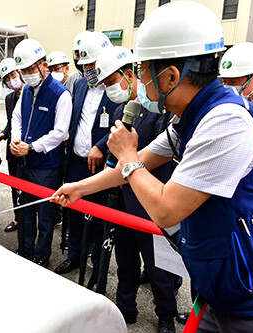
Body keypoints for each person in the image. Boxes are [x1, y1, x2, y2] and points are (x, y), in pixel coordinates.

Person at [53, 2, 253, 332]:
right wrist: (80, 188)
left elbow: (167, 209)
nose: (139, 80)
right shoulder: (193, 117)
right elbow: (144, 161)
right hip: (226, 290)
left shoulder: (226, 121)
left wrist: (126, 156)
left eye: (143, 70)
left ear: (171, 75)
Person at [95, 46, 178, 333]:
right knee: (125, 260)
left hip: (150, 201)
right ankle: (125, 308)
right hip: (121, 200)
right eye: (105, 84)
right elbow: (113, 155)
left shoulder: (160, 112)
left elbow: (158, 156)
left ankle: (166, 314)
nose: (109, 88)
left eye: (111, 81)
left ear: (131, 75)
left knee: (158, 267)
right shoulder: (121, 111)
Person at [54, 31, 118, 276]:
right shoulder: (80, 84)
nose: (87, 70)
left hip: (100, 167)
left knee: (98, 216)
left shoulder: (115, 88)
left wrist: (101, 146)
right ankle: (74, 256)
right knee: (75, 211)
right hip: (76, 162)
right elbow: (76, 117)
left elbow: (121, 123)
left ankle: (97, 263)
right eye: (84, 65)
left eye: (91, 65)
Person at [10, 39, 72, 267]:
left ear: (43, 65)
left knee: (45, 215)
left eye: (29, 69)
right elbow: (17, 117)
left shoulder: (60, 94)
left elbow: (60, 131)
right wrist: (16, 139)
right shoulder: (26, 90)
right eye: (22, 71)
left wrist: (33, 147)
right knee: (25, 211)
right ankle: (25, 249)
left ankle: (41, 254)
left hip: (45, 166)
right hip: (24, 162)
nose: (26, 75)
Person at [0, 57, 25, 233]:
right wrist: (2, 134)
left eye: (13, 74)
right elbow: (10, 122)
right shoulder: (9, 98)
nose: (11, 80)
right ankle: (18, 218)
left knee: (30, 187)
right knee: (15, 185)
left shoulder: (32, 93)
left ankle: (30, 218)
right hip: (12, 149)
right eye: (6, 78)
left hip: (29, 149)